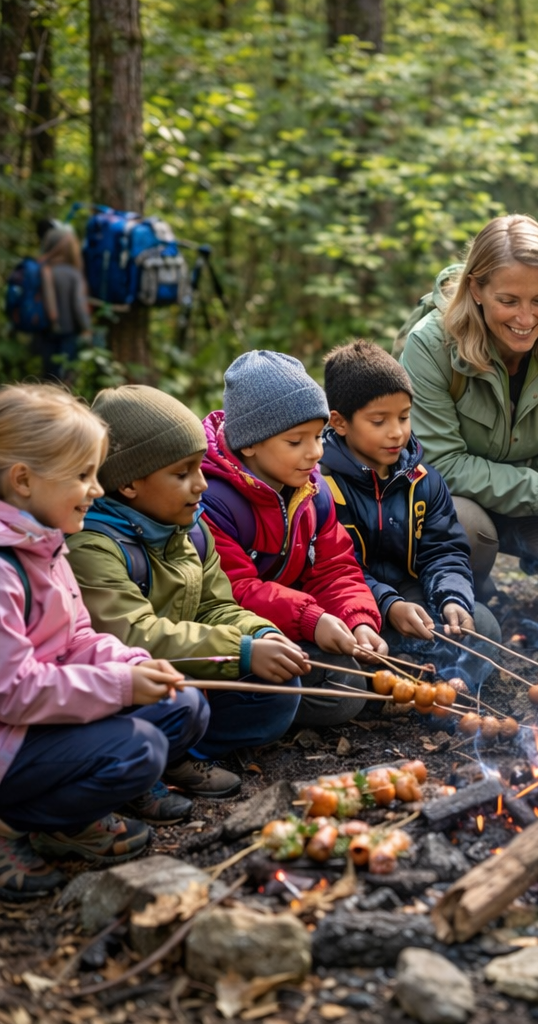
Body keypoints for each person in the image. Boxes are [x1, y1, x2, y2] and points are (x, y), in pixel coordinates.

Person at [0, 384, 202, 899]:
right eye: (83, 475)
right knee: (139, 750)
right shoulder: (6, 568)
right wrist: (119, 686)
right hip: (13, 734)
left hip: (42, 722)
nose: (97, 489)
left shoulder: (45, 544)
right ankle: (15, 825)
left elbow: (79, 637)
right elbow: (13, 691)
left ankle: (69, 818)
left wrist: (135, 665)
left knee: (184, 706)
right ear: (23, 480)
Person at [69, 386, 309, 811]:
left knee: (280, 690)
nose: (201, 484)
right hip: (117, 689)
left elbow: (216, 606)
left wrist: (260, 633)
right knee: (187, 701)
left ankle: (178, 753)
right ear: (128, 483)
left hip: (181, 677)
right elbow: (133, 634)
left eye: (199, 467)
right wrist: (241, 651)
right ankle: (137, 764)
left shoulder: (190, 531)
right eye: (182, 473)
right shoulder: (92, 546)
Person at [398, 214, 538, 627]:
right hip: (458, 501)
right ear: (476, 288)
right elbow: (440, 464)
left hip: (532, 503)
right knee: (464, 526)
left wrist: (535, 493)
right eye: (508, 301)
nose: (526, 319)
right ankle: (466, 598)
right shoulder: (430, 345)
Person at [200, 350, 386, 727]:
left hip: (295, 620)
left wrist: (359, 620)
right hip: (243, 636)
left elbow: (335, 567)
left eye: (318, 436)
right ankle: (233, 714)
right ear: (249, 442)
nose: (315, 452)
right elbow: (235, 590)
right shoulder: (214, 503)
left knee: (372, 660)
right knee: (345, 688)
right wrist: (310, 619)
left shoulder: (312, 492)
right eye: (295, 441)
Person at [319, 340, 501, 666]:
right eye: (379, 421)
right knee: (348, 666)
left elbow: (443, 550)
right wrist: (389, 605)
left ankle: (419, 671)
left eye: (404, 417)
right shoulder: (323, 487)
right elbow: (336, 571)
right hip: (354, 606)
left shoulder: (422, 479)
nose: (396, 433)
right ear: (340, 422)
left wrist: (451, 597)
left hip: (415, 598)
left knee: (482, 628)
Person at [26, 220, 92, 383]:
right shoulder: (72, 274)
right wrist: (86, 328)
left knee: (48, 374)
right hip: (66, 332)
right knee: (64, 377)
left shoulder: (38, 269)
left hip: (42, 330)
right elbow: (78, 305)